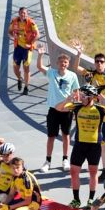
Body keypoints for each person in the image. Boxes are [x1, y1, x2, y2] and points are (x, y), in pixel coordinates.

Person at [55, 84, 105, 208]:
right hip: (79, 144)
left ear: (91, 97)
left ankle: (90, 199)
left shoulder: (100, 109)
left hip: (94, 146)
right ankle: (76, 200)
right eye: (81, 95)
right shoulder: (77, 106)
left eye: (83, 96)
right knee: (74, 171)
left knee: (93, 172)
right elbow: (58, 108)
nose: (81, 98)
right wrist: (67, 100)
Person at [36, 44, 79, 173]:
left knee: (66, 135)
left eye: (65, 62)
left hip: (67, 111)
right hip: (53, 110)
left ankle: (65, 159)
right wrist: (40, 55)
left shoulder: (72, 76)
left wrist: (75, 106)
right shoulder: (52, 73)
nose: (63, 64)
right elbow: (40, 67)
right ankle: (48, 161)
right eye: (61, 62)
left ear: (68, 64)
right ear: (57, 63)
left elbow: (76, 92)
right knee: (51, 136)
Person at [8, 7, 39, 95]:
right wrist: (13, 36)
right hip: (18, 47)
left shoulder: (31, 22)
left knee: (26, 67)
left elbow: (38, 35)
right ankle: (19, 79)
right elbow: (9, 31)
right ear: (19, 13)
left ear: (27, 14)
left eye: (24, 13)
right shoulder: (14, 21)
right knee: (15, 68)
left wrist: (31, 44)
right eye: (21, 13)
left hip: (27, 49)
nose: (23, 14)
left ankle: (26, 87)